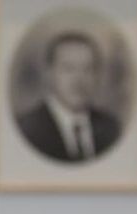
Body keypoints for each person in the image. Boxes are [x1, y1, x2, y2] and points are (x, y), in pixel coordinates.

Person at [15, 31, 122, 163]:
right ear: (49, 74)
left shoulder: (111, 129)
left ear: (97, 76)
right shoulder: (28, 129)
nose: (79, 80)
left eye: (87, 69)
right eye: (68, 69)